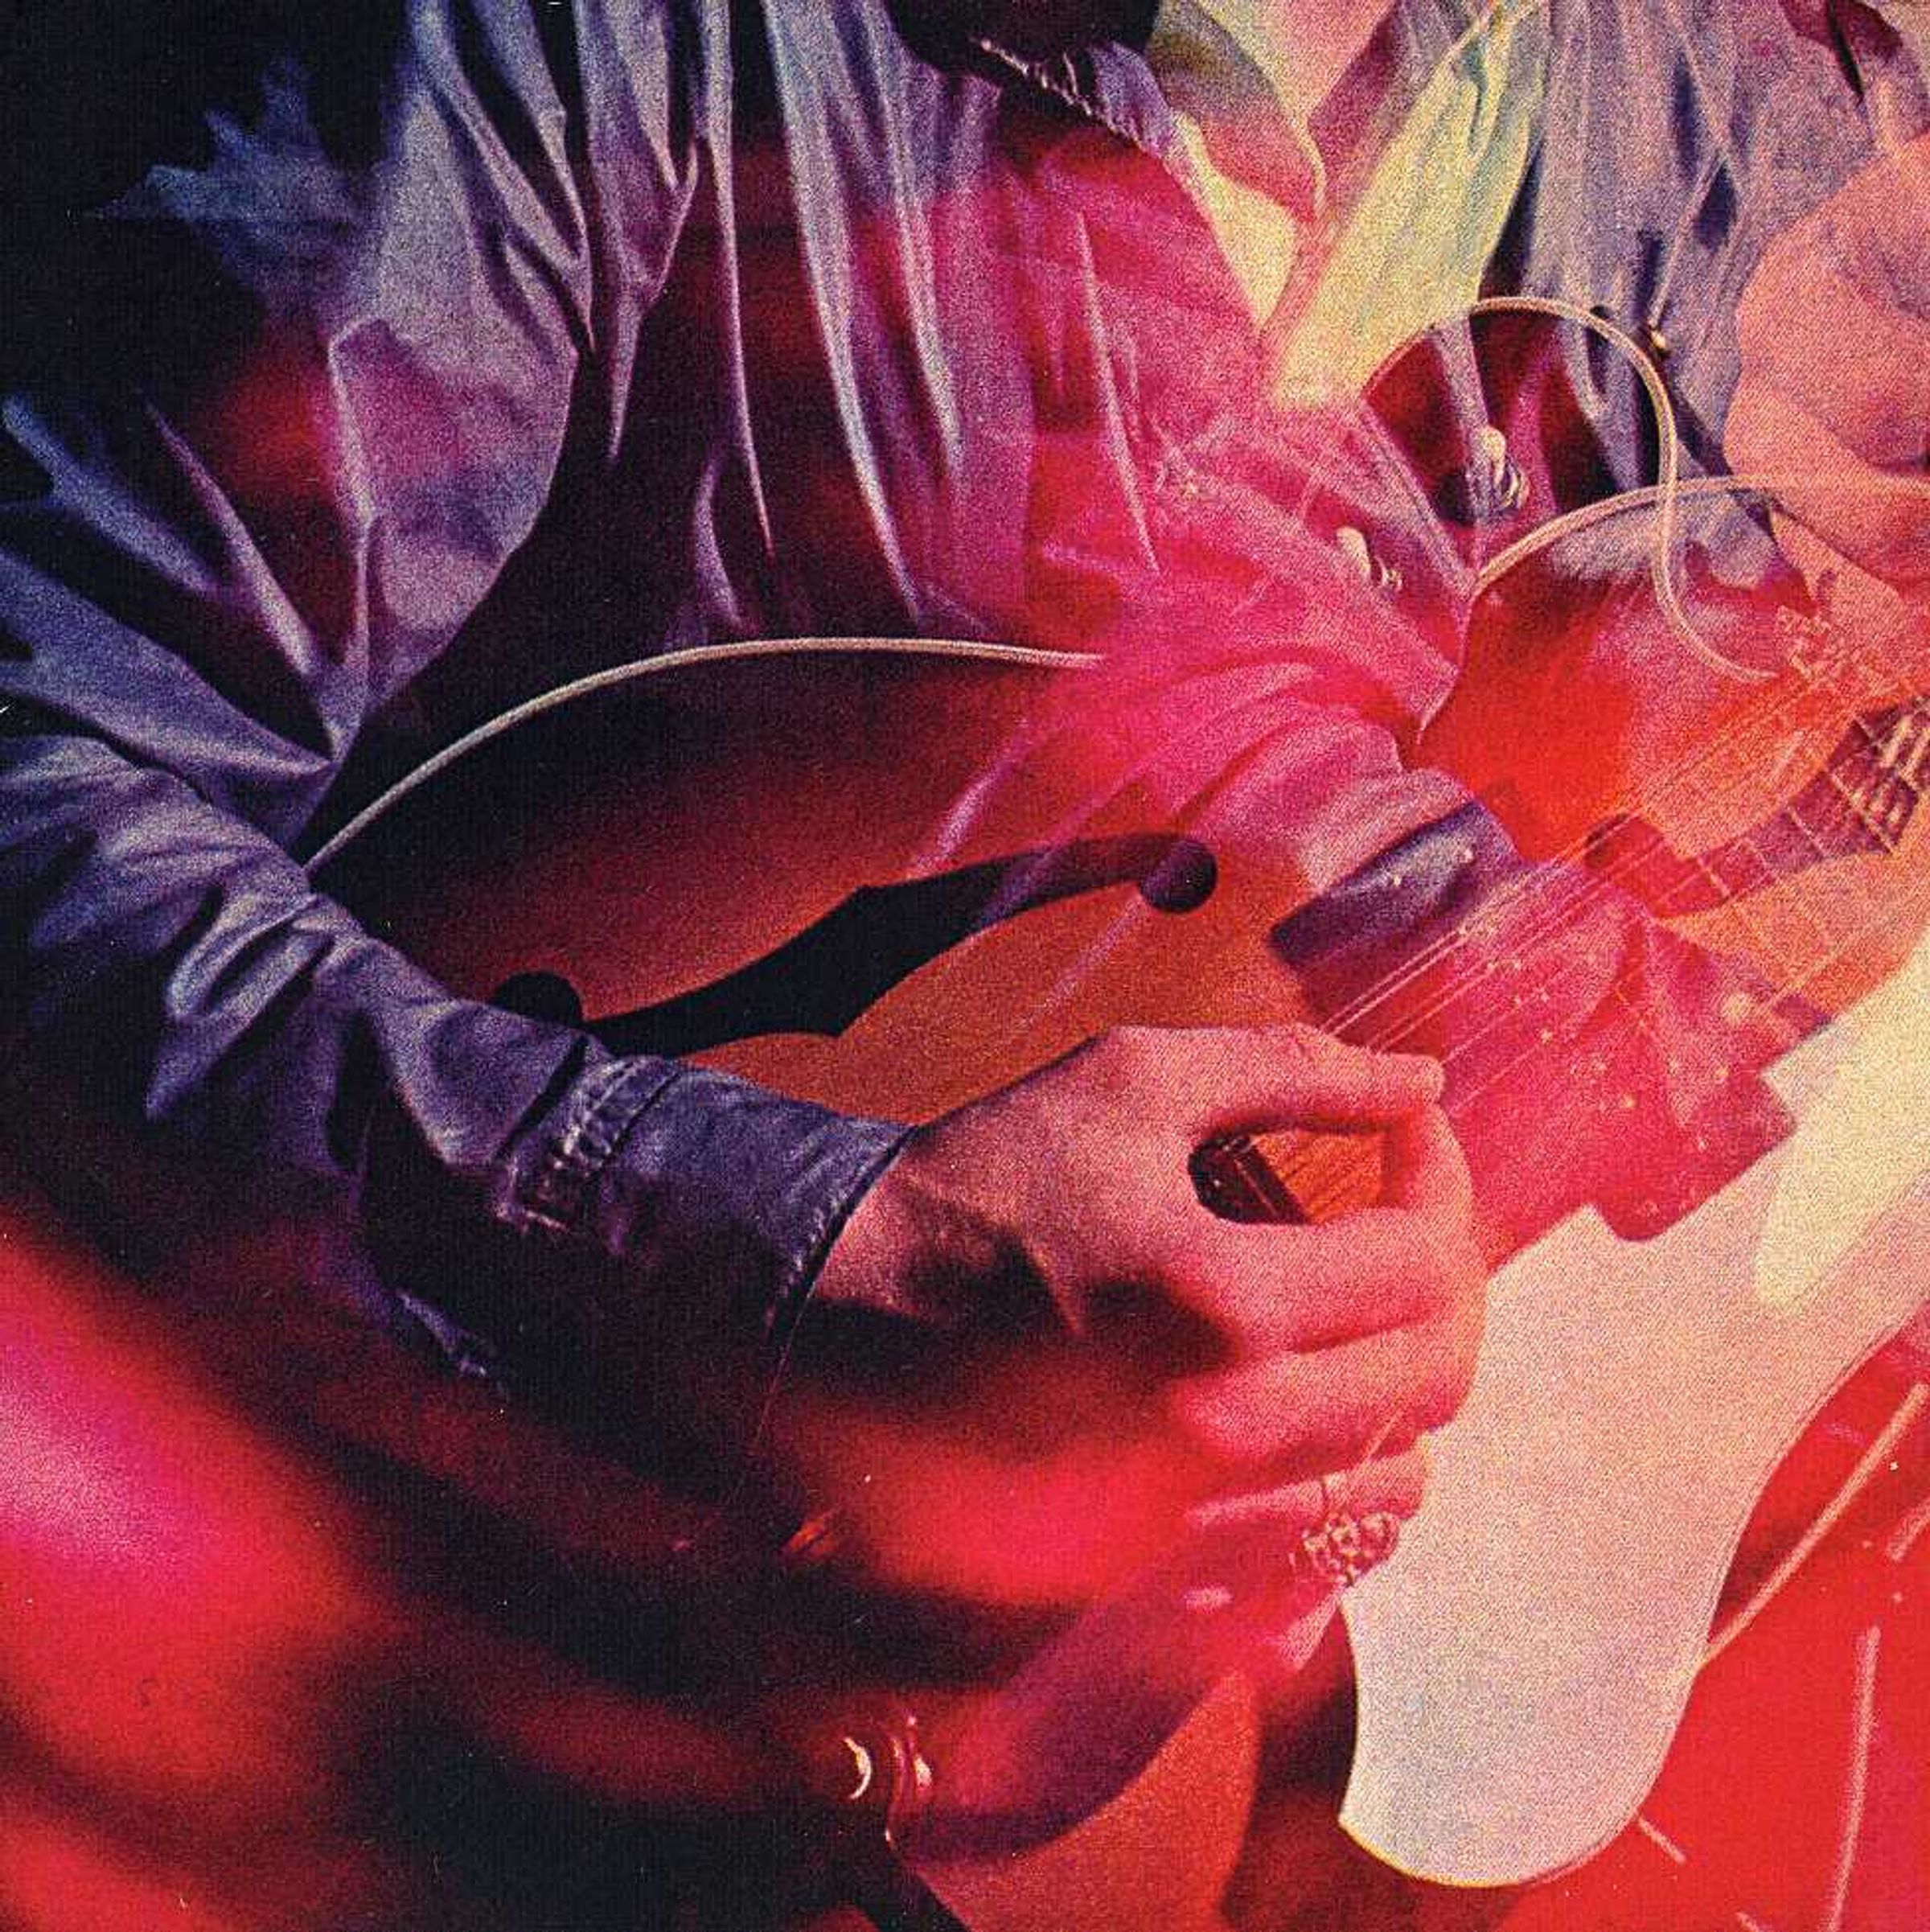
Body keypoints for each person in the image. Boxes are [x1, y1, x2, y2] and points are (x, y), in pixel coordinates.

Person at [0, 2, 1923, 1927]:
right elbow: (45, 760)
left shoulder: (1765, 133)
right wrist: (791, 1239)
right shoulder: (604, 44)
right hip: (355, 1682)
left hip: (1149, 1790)